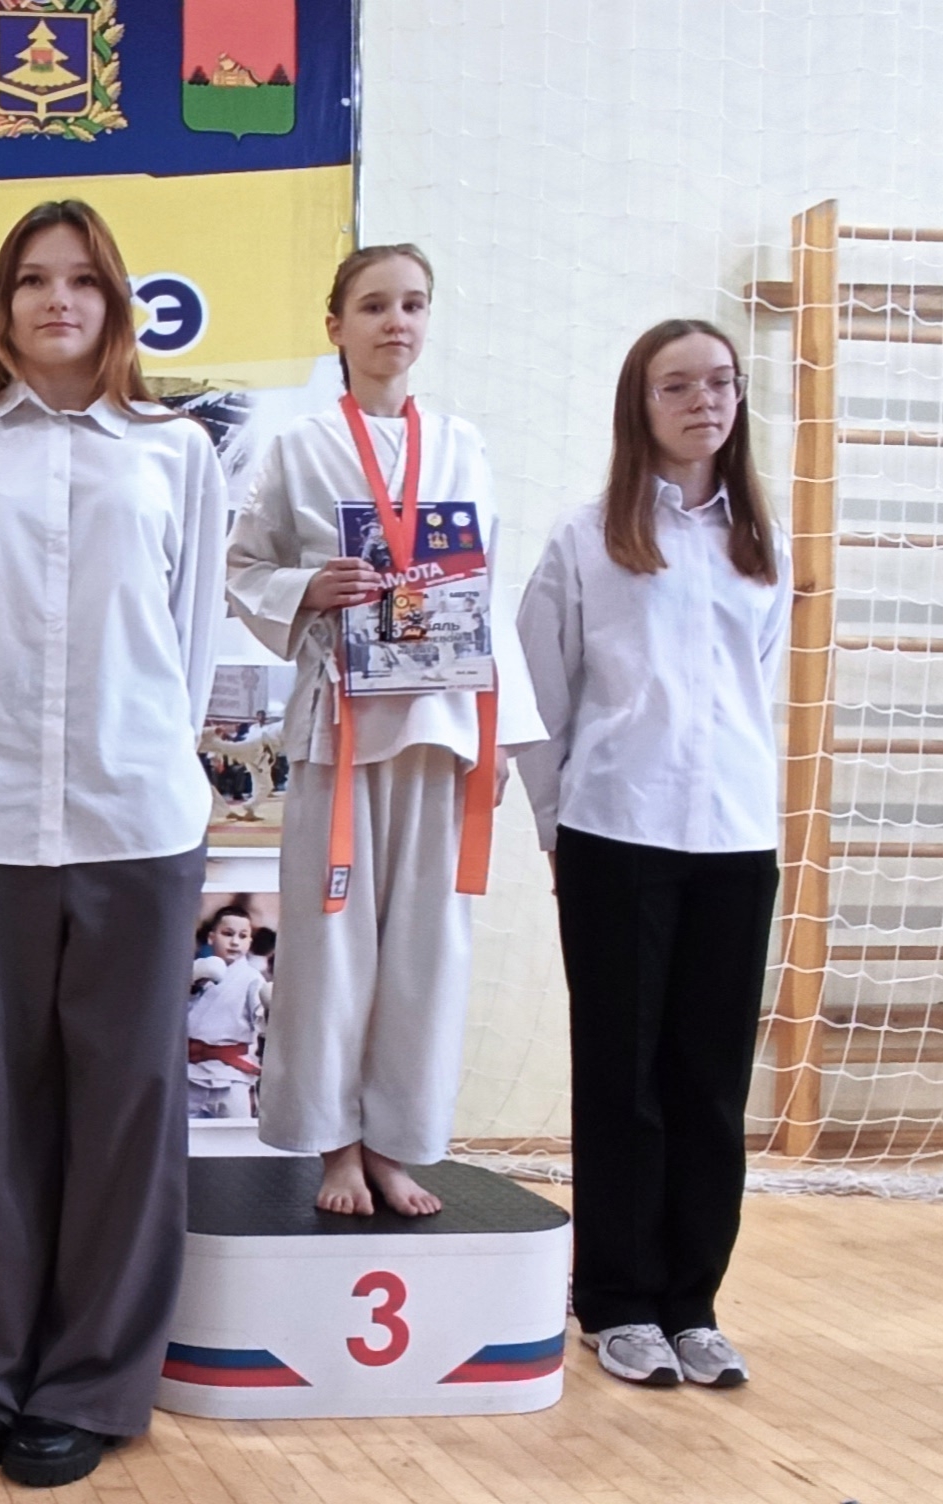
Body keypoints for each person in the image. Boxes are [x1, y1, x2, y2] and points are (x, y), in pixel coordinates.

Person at [0, 200, 225, 1488]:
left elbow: (189, 643)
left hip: (136, 818)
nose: (57, 299)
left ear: (114, 301)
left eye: (81, 279)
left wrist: (140, 752)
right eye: (32, 279)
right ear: (1, 305)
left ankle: (89, 1384)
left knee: (127, 1104)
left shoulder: (176, 452)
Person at [225, 243, 543, 1218]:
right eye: (372, 305)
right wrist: (306, 587)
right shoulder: (298, 446)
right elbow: (243, 567)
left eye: (411, 304)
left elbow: (483, 587)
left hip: (444, 724)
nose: (394, 321)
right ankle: (335, 1146)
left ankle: (398, 1146)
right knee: (332, 946)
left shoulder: (462, 444)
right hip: (342, 723)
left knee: (426, 949)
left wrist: (500, 734)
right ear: (335, 326)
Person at [516, 319, 786, 1391]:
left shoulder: (760, 540)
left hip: (733, 837)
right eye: (676, 385)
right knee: (621, 1076)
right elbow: (540, 697)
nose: (702, 400)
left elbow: (756, 680)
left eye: (718, 382)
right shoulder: (586, 537)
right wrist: (555, 829)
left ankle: (692, 1303)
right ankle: (616, 1299)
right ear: (640, 404)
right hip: (614, 831)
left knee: (709, 1082)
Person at [186, 906, 268, 1119]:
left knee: (237, 1133)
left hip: (231, 1075)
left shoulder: (252, 978)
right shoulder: (195, 972)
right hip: (190, 1073)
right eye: (228, 934)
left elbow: (262, 1020)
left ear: (250, 941)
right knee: (183, 1133)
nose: (235, 942)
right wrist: (192, 986)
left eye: (242, 936)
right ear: (212, 937)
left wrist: (269, 1010)